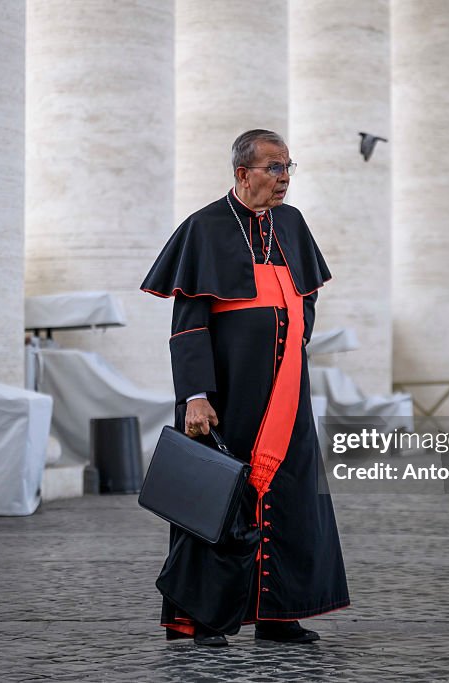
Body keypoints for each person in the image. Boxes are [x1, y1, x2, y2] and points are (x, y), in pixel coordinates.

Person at [141, 130, 350, 647]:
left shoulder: (293, 225)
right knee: (218, 499)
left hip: (286, 391)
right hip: (226, 396)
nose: (284, 178)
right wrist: (195, 395)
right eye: (274, 168)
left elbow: (305, 301)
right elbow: (188, 324)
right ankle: (205, 618)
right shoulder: (203, 228)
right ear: (243, 174)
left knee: (293, 495)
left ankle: (281, 613)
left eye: (288, 168)